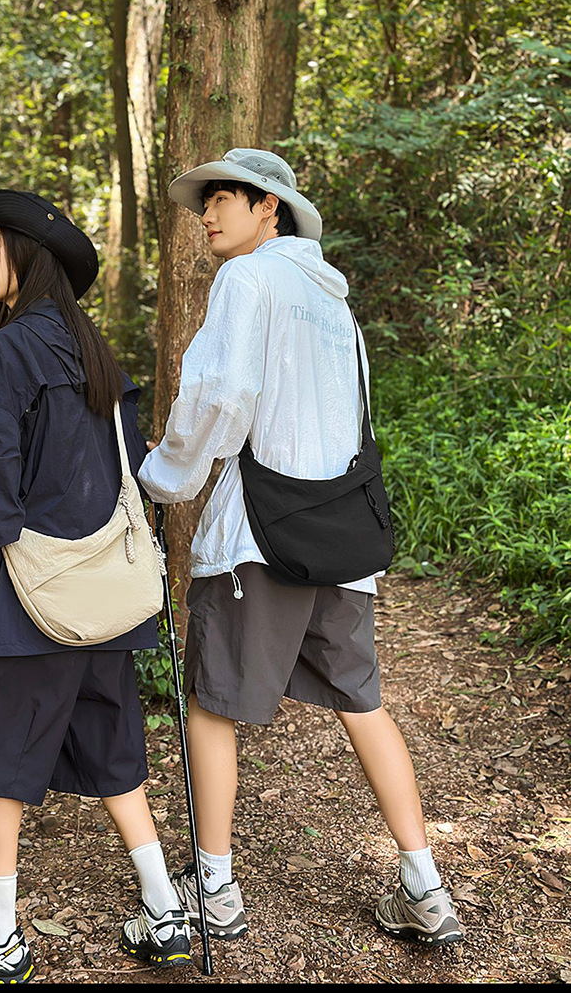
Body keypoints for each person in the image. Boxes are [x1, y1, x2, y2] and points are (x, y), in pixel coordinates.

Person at [138, 148, 464, 948]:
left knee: (212, 702)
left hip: (260, 538)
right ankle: (425, 886)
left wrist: (163, 477)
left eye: (225, 197)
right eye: (205, 201)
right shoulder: (334, 301)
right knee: (364, 702)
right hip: (342, 541)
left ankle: (215, 888)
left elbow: (221, 396)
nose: (207, 213)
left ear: (269, 209)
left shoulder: (247, 279)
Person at [0, 190, 191, 984]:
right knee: (114, 752)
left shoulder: (7, 351)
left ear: (28, 255)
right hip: (104, 595)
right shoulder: (95, 353)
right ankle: (165, 910)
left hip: (26, 599)